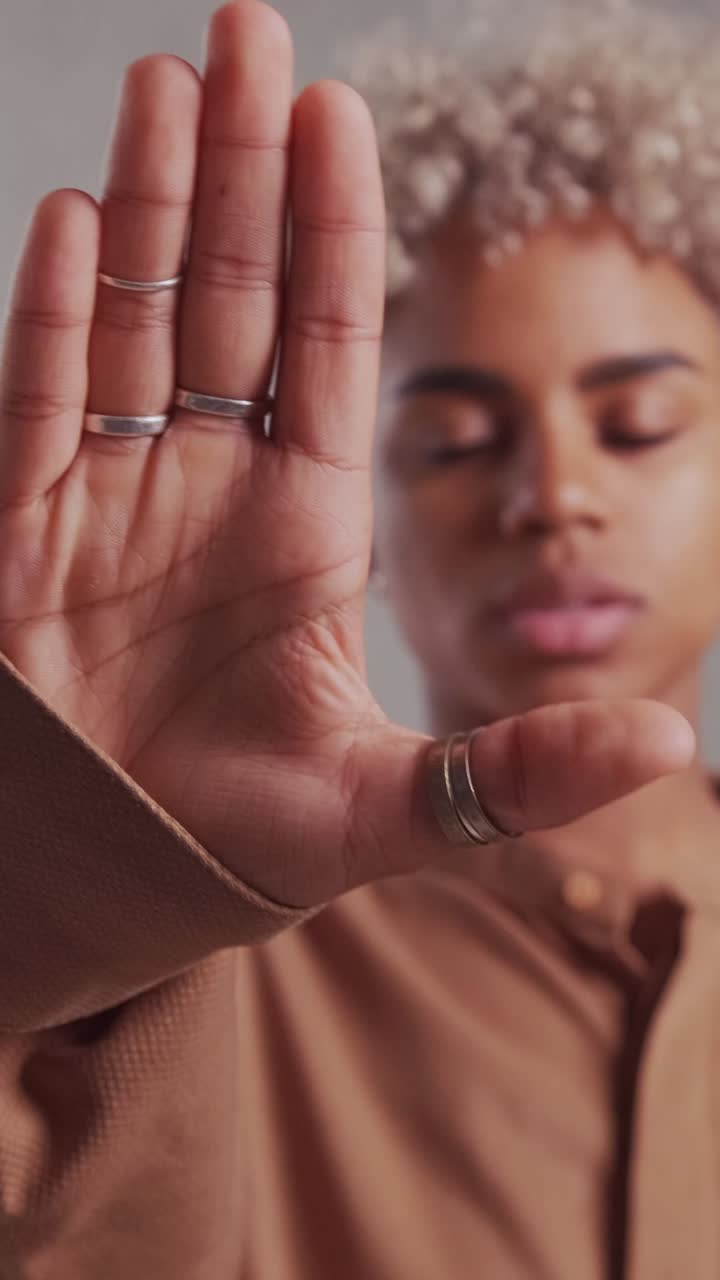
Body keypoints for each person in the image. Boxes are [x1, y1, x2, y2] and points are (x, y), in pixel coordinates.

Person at [0, 0, 717, 1274]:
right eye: (451, 442)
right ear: (361, 506)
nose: (552, 496)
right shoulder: (197, 964)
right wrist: (67, 875)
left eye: (641, 422)